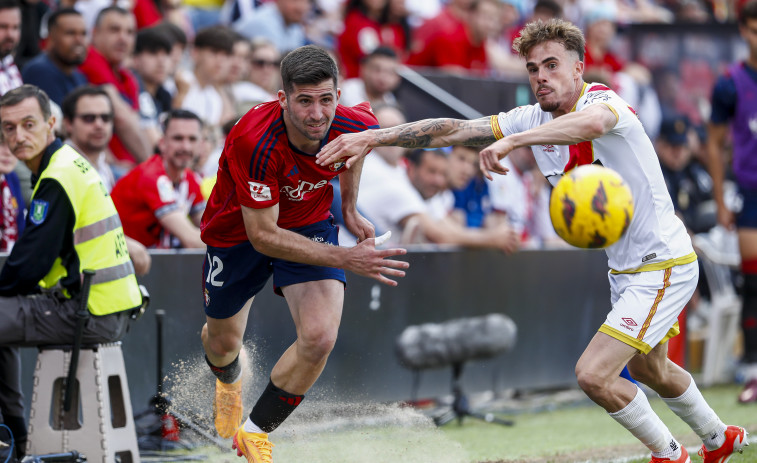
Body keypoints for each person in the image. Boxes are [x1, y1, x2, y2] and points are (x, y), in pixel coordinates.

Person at [318, 19, 748, 463]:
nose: (541, 76)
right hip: (625, 268)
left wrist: (514, 141)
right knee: (647, 367)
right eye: (532, 68)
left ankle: (669, 454)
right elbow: (451, 130)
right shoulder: (532, 116)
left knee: (594, 375)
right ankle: (720, 439)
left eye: (552, 65)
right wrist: (374, 136)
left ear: (578, 68)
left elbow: (592, 124)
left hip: (663, 261)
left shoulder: (604, 102)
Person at [199, 45, 409, 462]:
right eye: (305, 101)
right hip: (239, 231)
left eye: (326, 99)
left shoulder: (354, 122)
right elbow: (263, 236)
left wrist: (349, 206)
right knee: (223, 343)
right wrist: (348, 258)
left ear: (337, 95)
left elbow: (356, 150)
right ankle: (229, 382)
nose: (317, 114)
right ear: (283, 99)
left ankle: (255, 432)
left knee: (319, 337)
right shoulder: (252, 140)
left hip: (310, 222)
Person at [0, 84, 143, 460]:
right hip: (102, 308)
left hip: (85, 313)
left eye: (28, 124)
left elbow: (27, 268)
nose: (18, 136)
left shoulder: (58, 176)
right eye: (9, 128)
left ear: (50, 124)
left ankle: (16, 439)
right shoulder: (67, 162)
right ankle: (17, 437)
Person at [707, 0, 757, 404]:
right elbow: (714, 142)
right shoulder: (729, 84)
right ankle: (753, 370)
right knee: (754, 282)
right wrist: (721, 200)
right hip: (751, 192)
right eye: (755, 30)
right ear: (743, 31)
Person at [61, 85, 152, 275]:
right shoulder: (60, 166)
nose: (99, 124)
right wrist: (123, 242)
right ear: (68, 124)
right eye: (89, 118)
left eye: (105, 118)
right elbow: (69, 226)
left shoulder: (109, 169)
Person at [111, 109, 206, 249]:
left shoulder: (189, 178)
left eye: (192, 139)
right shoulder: (151, 176)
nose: (185, 147)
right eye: (178, 138)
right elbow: (191, 239)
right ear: (162, 143)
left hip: (152, 261)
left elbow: (210, 226)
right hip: (119, 258)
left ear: (200, 144)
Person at [79, 6, 152, 167]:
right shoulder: (91, 60)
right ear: (95, 33)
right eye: (114, 30)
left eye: (129, 32)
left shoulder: (128, 76)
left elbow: (141, 124)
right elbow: (122, 119)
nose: (123, 38)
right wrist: (151, 168)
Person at [21, 8, 89, 107]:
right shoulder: (39, 71)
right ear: (50, 38)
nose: (79, 40)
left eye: (83, 34)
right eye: (70, 33)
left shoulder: (80, 77)